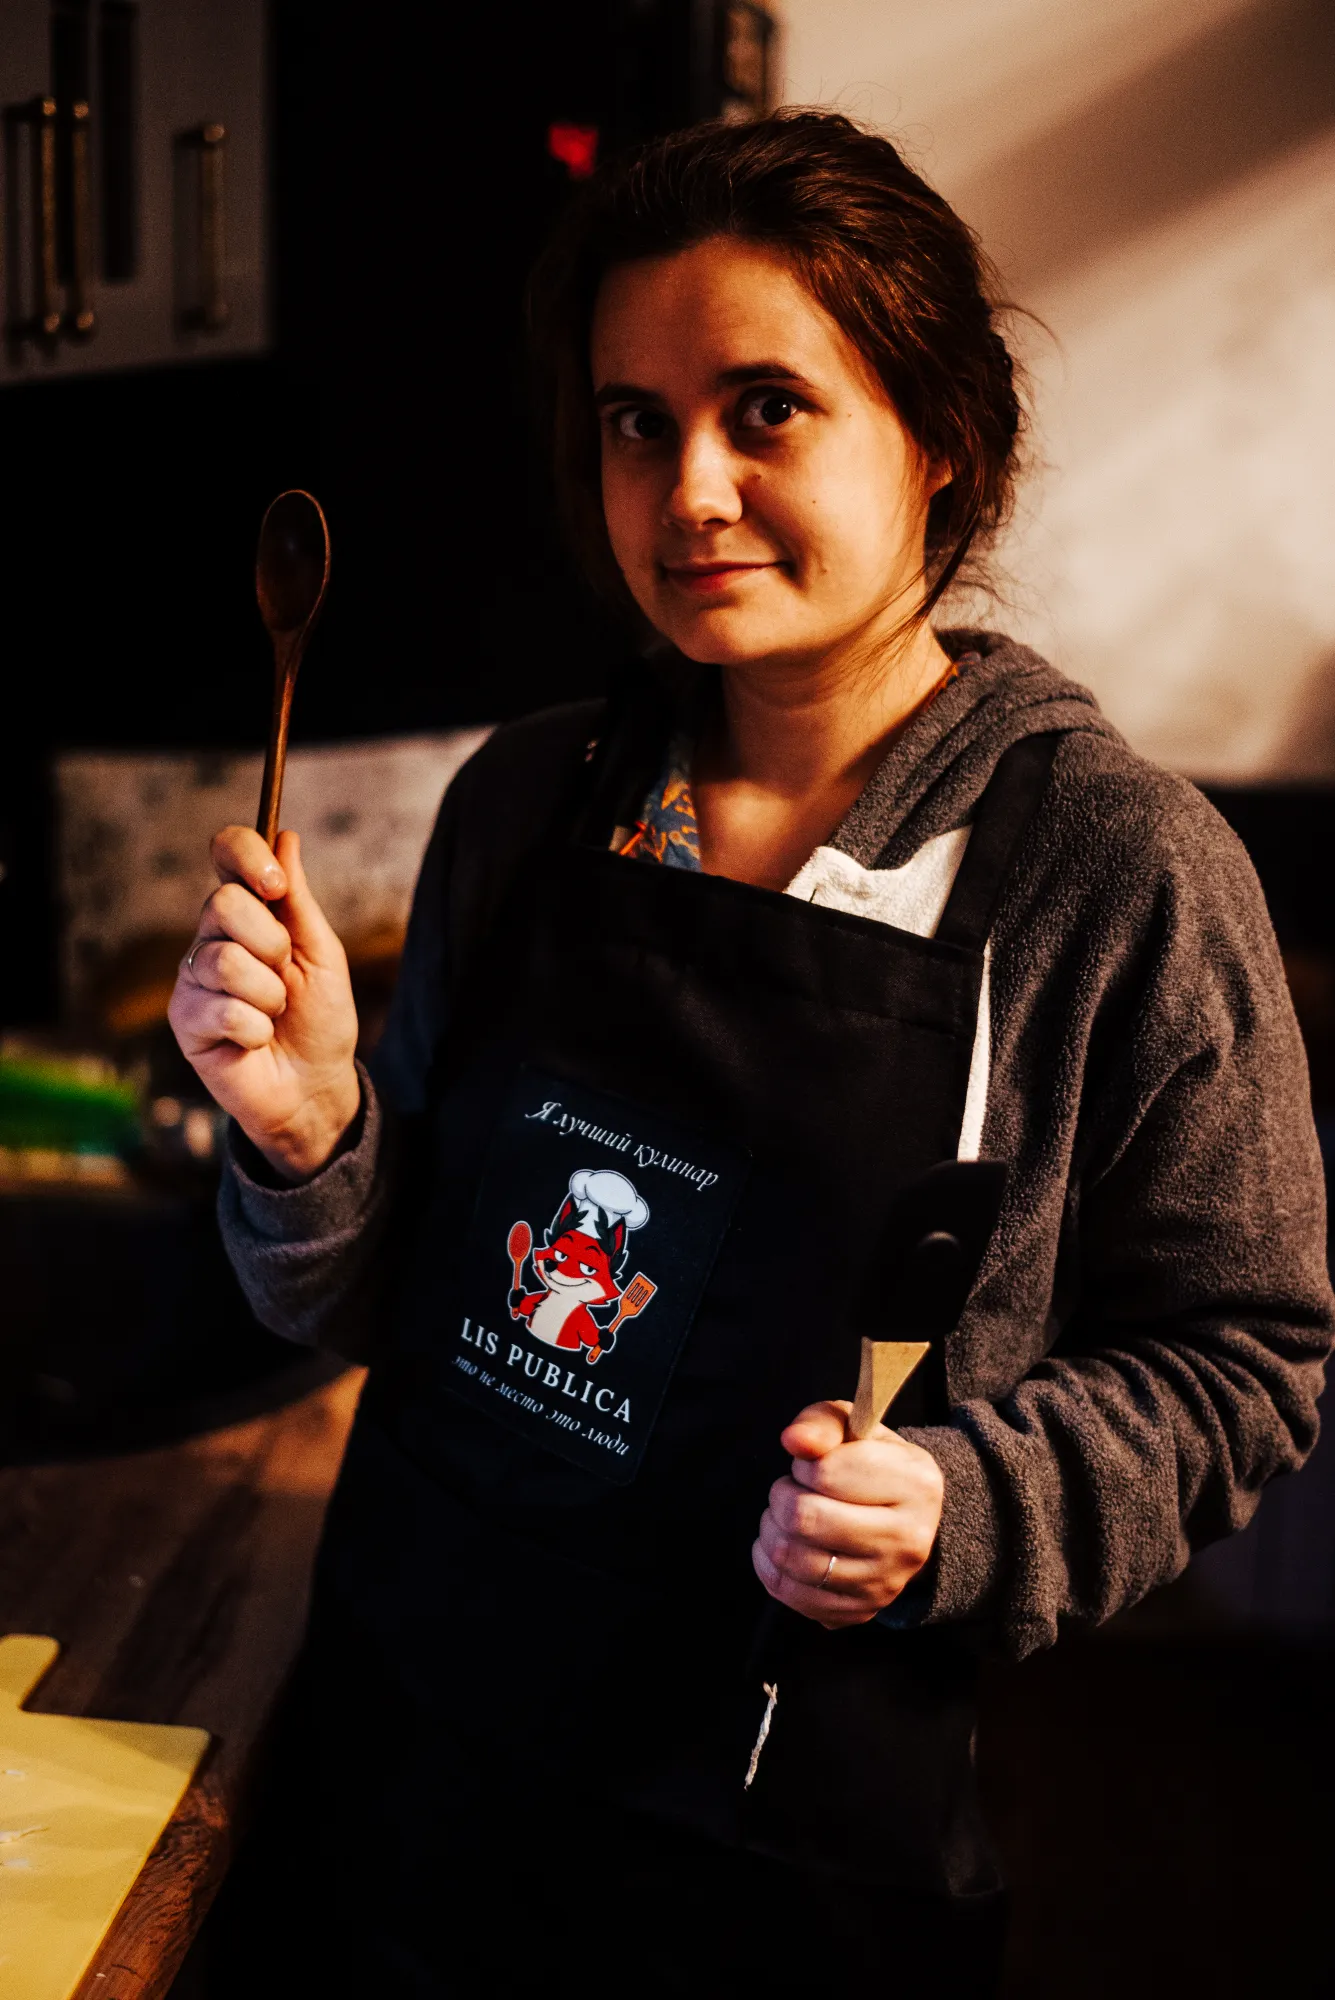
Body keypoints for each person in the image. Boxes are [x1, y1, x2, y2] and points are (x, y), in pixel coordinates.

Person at [168, 113, 1333, 1996]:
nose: (689, 488)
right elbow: (388, 1302)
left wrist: (965, 1504)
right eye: (635, 422)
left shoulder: (1112, 869)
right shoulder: (530, 798)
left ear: (938, 435)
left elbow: (1243, 1357)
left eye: (765, 409)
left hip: (767, 1862)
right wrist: (307, 1130)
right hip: (401, 1773)